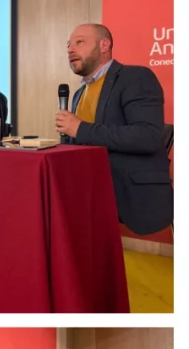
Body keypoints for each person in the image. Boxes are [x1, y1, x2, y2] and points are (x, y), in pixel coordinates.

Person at [56, 23, 172, 235]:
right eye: (68, 45)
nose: (70, 49)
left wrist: (81, 128)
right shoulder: (78, 94)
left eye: (79, 42)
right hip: (84, 188)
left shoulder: (136, 77)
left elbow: (148, 137)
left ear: (104, 45)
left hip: (125, 189)